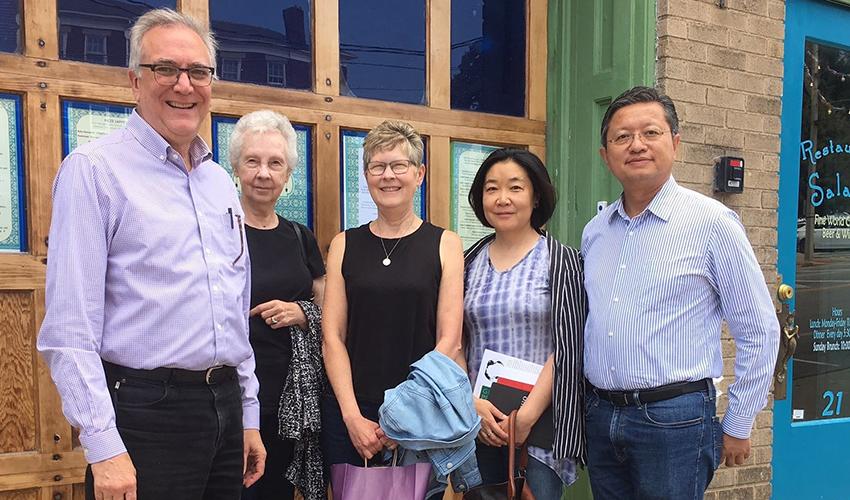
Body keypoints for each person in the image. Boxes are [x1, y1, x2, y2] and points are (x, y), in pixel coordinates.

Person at [37, 8, 265, 500]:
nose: (184, 84)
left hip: (223, 407)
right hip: (144, 414)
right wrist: (103, 447)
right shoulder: (95, 171)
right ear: (135, 80)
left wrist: (248, 414)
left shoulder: (221, 183)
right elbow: (69, 331)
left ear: (211, 82)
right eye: (166, 69)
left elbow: (233, 306)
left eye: (198, 72)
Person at [582, 86, 779, 499]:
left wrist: (739, 423)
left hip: (674, 421)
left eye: (650, 133)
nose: (636, 145)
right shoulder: (595, 232)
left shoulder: (712, 223)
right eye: (622, 137)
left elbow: (760, 330)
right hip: (601, 416)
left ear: (674, 142)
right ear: (605, 154)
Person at [320, 120, 467, 494]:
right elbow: (332, 337)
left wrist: (401, 419)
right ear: (366, 175)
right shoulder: (344, 244)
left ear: (419, 174)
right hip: (352, 413)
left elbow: (449, 341)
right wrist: (353, 418)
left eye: (399, 166)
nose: (388, 176)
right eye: (377, 166)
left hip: (422, 413)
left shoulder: (445, 244)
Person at [463, 148, 587, 499]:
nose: (502, 198)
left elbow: (568, 344)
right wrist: (474, 406)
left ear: (535, 197)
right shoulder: (468, 261)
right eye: (491, 188)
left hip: (539, 425)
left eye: (515, 188)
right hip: (480, 421)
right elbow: (455, 341)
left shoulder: (561, 261)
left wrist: (526, 416)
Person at [229, 110, 326, 500]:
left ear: (288, 175)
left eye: (275, 163)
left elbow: (328, 312)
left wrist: (303, 313)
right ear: (236, 167)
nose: (263, 173)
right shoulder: (217, 233)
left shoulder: (300, 238)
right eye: (253, 161)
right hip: (227, 400)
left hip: (289, 404)